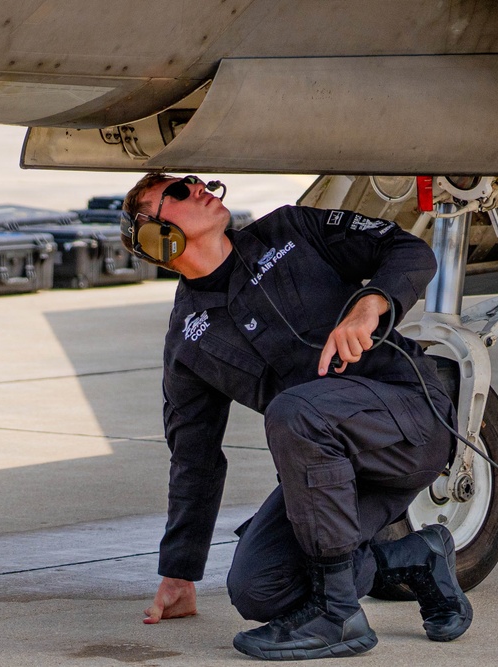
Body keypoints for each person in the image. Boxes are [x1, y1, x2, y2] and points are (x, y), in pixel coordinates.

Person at [120, 173, 472, 661]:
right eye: (177, 192)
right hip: (331, 478)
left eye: (197, 181)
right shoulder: (188, 342)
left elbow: (407, 249)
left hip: (408, 422)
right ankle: (415, 557)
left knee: (295, 411)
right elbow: (194, 460)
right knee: (258, 587)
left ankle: (337, 616)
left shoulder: (290, 230)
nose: (200, 188)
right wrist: (179, 571)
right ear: (154, 235)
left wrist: (371, 303)